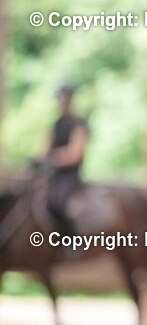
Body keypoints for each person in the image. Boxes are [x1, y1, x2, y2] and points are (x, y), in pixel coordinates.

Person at [39, 85, 88, 235]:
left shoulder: (78, 124)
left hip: (69, 176)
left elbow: (76, 154)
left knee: (59, 202)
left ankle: (71, 240)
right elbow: (43, 150)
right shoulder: (56, 124)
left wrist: (54, 158)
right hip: (52, 175)